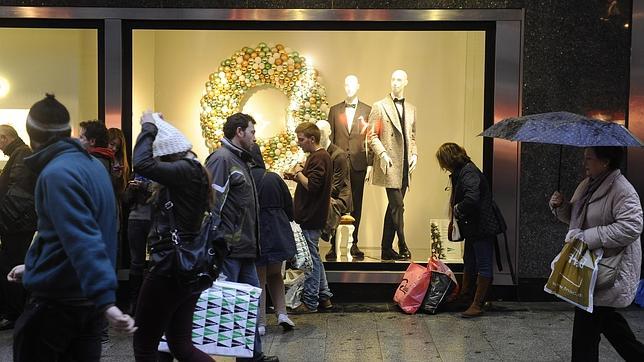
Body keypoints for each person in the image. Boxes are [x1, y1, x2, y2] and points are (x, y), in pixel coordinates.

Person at [8, 94, 135, 362]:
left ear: (32, 137)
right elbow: (70, 232)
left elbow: (82, 238)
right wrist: (36, 265)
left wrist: (106, 301)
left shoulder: (57, 173)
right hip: (85, 302)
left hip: (60, 302)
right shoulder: (93, 166)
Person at [549, 146, 644, 361]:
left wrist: (588, 237)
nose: (585, 163)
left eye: (589, 158)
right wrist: (562, 206)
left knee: (587, 328)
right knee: (608, 322)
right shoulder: (587, 185)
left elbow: (631, 226)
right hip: (590, 265)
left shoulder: (622, 189)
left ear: (606, 161)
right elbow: (576, 218)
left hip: (610, 267)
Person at [131, 112, 212, 361]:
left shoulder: (185, 170)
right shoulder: (193, 170)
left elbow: (141, 163)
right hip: (186, 264)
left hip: (169, 265)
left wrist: (148, 126)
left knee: (145, 345)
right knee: (180, 344)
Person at [205, 112, 278, 362]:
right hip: (230, 249)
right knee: (229, 305)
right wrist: (214, 243)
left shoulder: (240, 160)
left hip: (245, 249)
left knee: (248, 304)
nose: (255, 137)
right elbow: (211, 204)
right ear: (239, 132)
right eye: (252, 132)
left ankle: (252, 356)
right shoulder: (222, 159)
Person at [435, 143, 498, 318]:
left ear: (447, 160)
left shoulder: (468, 172)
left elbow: (472, 198)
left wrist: (457, 210)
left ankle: (477, 303)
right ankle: (467, 298)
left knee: (483, 263)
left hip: (481, 226)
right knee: (469, 260)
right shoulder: (464, 170)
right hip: (474, 226)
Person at [368, 69, 418, 261]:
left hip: (405, 165)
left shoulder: (412, 108)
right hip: (389, 163)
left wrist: (414, 154)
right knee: (398, 205)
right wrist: (382, 153)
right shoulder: (379, 106)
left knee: (393, 207)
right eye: (393, 79)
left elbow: (412, 137)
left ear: (406, 81)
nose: (395, 83)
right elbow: (371, 135)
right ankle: (403, 243)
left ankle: (385, 248)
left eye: (399, 79)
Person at [284, 122, 333, 314]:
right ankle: (325, 296)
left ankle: (311, 302)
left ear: (312, 139)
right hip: (312, 217)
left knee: (309, 262)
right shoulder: (319, 157)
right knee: (315, 259)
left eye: (301, 139)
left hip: (310, 218)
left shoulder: (319, 157)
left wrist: (297, 172)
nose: (299, 143)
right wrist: (296, 176)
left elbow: (312, 186)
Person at [249, 144, 296, 336]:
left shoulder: (245, 178)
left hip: (256, 233)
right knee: (276, 275)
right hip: (278, 232)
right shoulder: (273, 177)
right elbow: (289, 207)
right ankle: (282, 314)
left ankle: (260, 322)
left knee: (258, 279)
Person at [327, 75, 371, 259]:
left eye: (352, 84)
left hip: (359, 162)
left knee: (357, 204)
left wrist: (370, 164)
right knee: (336, 201)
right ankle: (332, 243)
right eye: (346, 84)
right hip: (338, 163)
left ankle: (355, 243)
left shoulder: (367, 110)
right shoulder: (334, 110)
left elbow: (371, 138)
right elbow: (330, 137)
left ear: (358, 86)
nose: (349, 87)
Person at [0, 125, 36, 331]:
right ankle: (14, 312)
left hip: (16, 225)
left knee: (11, 268)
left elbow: (17, 195)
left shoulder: (21, 154)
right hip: (18, 223)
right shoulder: (20, 153)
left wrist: (4, 220)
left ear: (5, 138)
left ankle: (14, 314)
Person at [315, 120, 352, 261]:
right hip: (326, 194)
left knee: (322, 205)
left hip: (340, 196)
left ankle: (323, 234)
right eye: (318, 132)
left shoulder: (338, 155)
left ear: (329, 132)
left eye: (323, 132)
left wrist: (319, 197)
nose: (320, 135)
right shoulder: (318, 153)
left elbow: (336, 186)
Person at [122, 173, 153, 315]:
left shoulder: (162, 171)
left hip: (154, 220)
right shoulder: (136, 173)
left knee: (155, 262)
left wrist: (144, 186)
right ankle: (134, 302)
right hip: (136, 218)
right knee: (136, 262)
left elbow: (162, 194)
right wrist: (130, 188)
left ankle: (149, 301)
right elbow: (126, 200)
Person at [108, 128, 130, 198]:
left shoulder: (120, 161)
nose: (114, 149)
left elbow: (121, 193)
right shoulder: (99, 160)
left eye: (117, 147)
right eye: (112, 144)